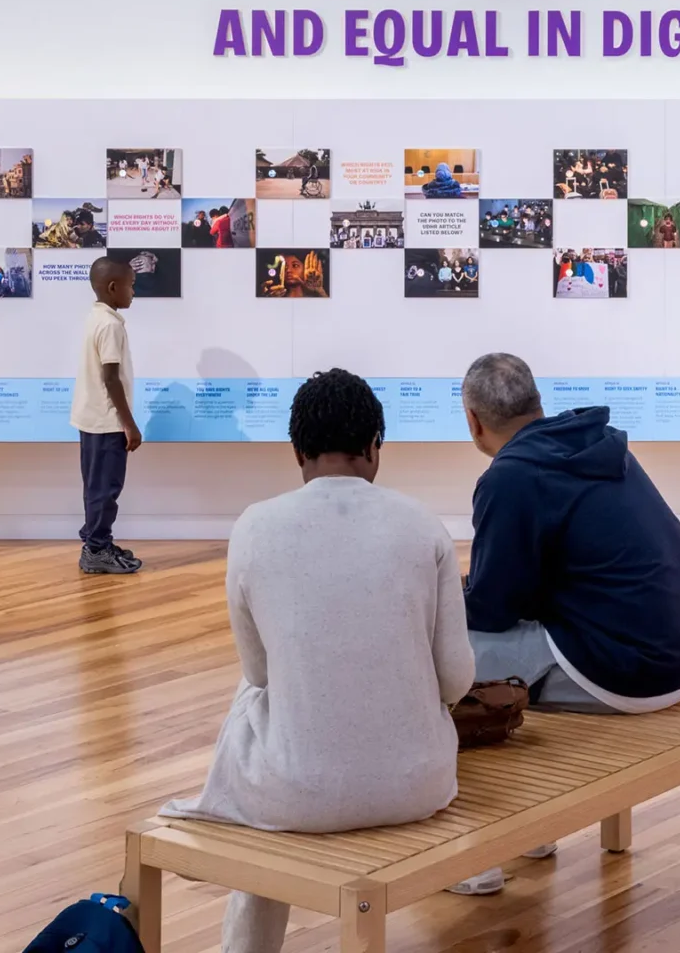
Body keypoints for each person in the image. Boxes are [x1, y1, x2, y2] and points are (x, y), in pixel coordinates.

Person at [158, 369, 471, 953]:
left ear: (296, 451)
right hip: (421, 786)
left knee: (257, 694)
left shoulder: (255, 526)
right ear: (375, 445)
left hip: (293, 791)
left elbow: (258, 674)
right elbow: (456, 677)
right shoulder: (423, 524)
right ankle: (474, 867)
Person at [455, 352, 680, 894]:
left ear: (473, 421)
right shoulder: (599, 445)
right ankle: (531, 826)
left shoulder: (510, 477)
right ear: (536, 402)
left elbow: (493, 609)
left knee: (437, 655)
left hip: (627, 671)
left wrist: (448, 594)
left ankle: (471, 853)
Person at [75, 256, 145, 574]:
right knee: (106, 490)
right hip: (106, 422)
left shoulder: (96, 317)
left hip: (92, 419)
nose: (134, 291)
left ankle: (97, 542)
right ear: (114, 287)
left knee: (96, 487)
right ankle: (96, 550)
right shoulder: (111, 325)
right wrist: (129, 424)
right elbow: (111, 378)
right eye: (131, 285)